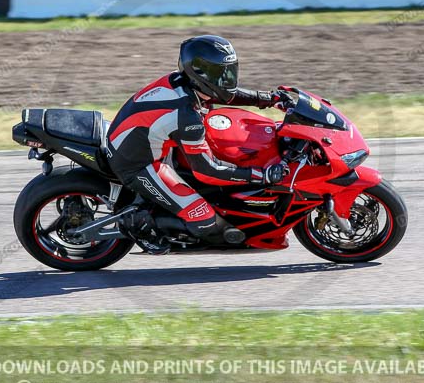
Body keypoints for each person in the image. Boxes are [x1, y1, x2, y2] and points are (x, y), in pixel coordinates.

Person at [106, 35, 288, 254]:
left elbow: (226, 94)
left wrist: (269, 98)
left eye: (230, 71)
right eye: (221, 74)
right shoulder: (187, 117)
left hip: (147, 143)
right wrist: (261, 175)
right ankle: (138, 225)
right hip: (137, 164)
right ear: (202, 74)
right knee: (204, 219)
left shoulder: (184, 82)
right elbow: (207, 170)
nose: (228, 79)